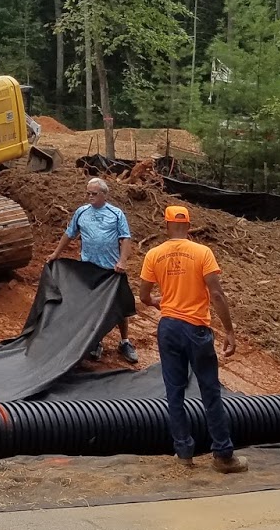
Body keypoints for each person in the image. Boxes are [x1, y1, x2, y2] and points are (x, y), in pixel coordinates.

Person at [138, 205, 247, 474]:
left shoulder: (154, 255)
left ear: (166, 226)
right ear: (188, 225)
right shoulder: (202, 253)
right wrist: (230, 331)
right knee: (210, 390)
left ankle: (184, 453)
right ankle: (223, 455)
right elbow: (217, 294)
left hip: (169, 328)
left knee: (174, 392)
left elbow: (143, 295)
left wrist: (156, 302)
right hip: (196, 328)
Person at [49, 177, 138, 363]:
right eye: (88, 193)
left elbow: (125, 239)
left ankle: (125, 342)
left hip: (112, 271)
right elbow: (69, 234)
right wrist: (56, 254)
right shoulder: (82, 212)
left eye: (94, 194)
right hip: (88, 269)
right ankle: (96, 341)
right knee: (92, 308)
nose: (90, 197)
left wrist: (123, 261)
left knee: (119, 307)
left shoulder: (116, 214)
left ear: (104, 195)